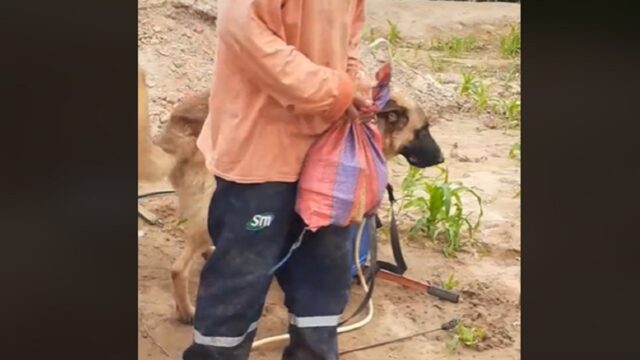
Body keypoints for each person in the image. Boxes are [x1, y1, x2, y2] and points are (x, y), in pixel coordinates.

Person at [183, 0, 370, 359]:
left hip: (327, 156)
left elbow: (350, 34)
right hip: (260, 154)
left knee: (323, 282)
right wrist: (336, 91)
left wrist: (351, 82)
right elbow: (245, 35)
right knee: (239, 285)